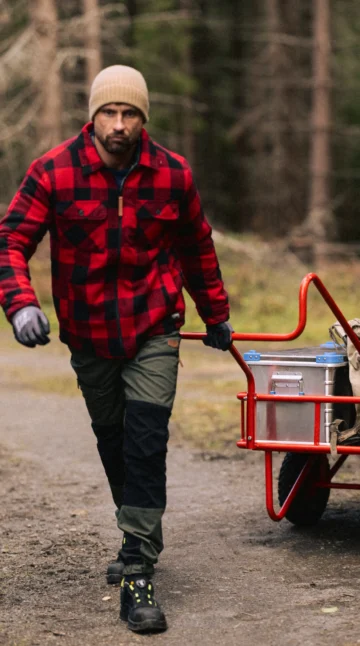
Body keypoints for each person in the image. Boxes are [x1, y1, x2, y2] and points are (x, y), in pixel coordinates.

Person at [0, 65, 233, 634]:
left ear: (143, 119)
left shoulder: (172, 175)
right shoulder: (53, 172)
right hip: (89, 335)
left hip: (155, 324)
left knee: (147, 439)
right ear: (93, 115)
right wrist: (21, 303)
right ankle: (136, 533)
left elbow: (198, 247)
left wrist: (217, 315)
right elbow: (9, 240)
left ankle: (137, 568)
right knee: (115, 440)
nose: (120, 124)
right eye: (110, 112)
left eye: (131, 114)